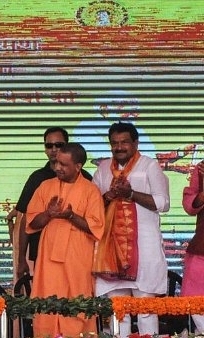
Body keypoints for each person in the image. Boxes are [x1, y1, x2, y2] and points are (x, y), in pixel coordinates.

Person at [92, 121, 170, 337]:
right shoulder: (103, 169)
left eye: (124, 142)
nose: (119, 147)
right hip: (111, 251)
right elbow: (94, 206)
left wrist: (130, 194)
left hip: (143, 250)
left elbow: (163, 203)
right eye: (114, 143)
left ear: (136, 143)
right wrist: (107, 196)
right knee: (119, 311)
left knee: (145, 310)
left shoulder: (149, 166)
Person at [26, 143, 105, 337]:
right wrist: (48, 213)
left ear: (78, 167)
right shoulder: (46, 186)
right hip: (49, 262)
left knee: (78, 307)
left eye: (63, 164)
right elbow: (32, 222)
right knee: (46, 305)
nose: (57, 168)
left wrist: (71, 216)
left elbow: (96, 227)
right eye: (56, 163)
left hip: (77, 260)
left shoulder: (91, 190)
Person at [15, 127, 92, 280]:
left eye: (59, 145)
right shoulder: (37, 179)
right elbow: (26, 219)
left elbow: (96, 224)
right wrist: (21, 258)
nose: (54, 149)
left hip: (79, 256)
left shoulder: (87, 180)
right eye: (49, 146)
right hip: (43, 253)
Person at [181, 160, 204, 333]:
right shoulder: (202, 168)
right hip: (201, 247)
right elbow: (190, 205)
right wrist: (202, 197)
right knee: (196, 301)